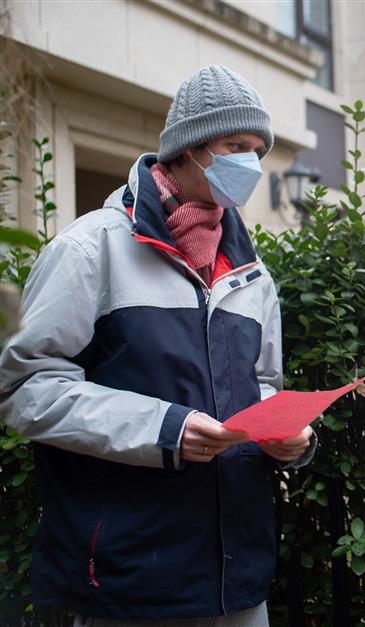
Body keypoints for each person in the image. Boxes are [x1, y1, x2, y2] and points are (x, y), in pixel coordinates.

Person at [0, 66, 315, 625]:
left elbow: (262, 384)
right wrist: (163, 430)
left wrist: (282, 435)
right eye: (234, 145)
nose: (251, 164)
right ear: (189, 149)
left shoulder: (252, 273)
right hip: (127, 579)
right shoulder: (89, 248)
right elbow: (27, 389)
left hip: (238, 580)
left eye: (258, 150)